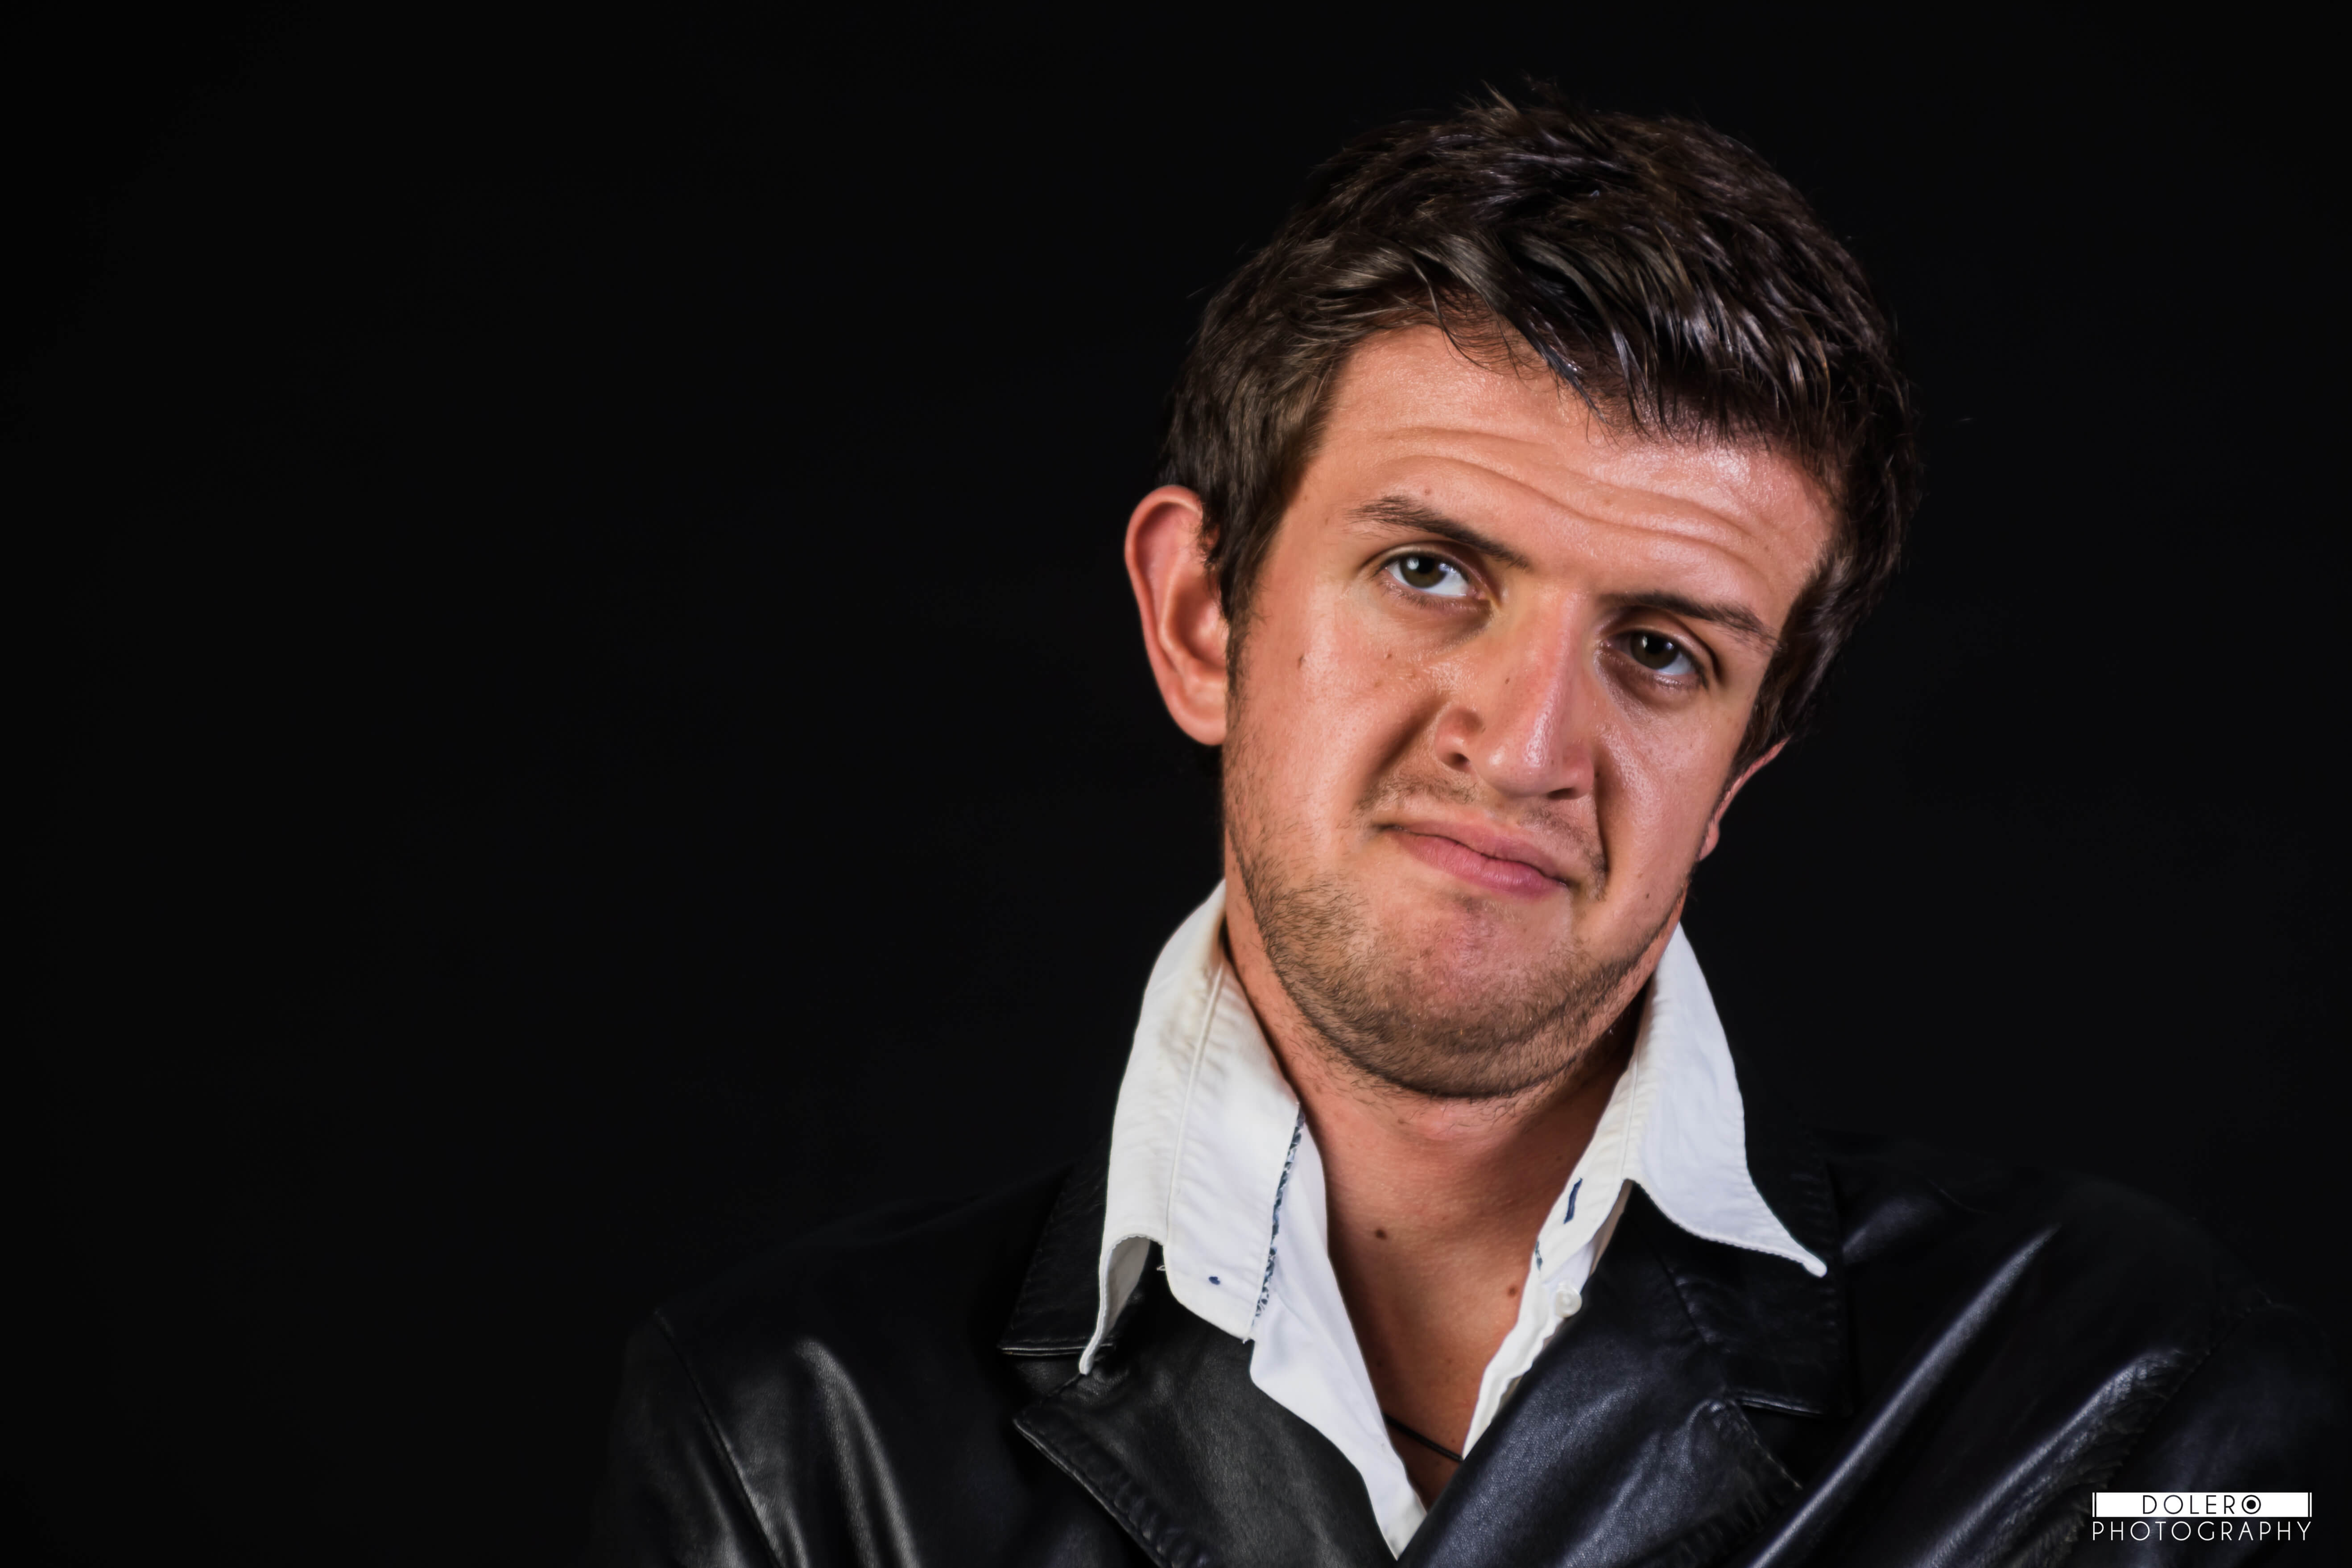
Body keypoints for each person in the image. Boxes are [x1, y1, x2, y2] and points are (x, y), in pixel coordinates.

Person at [584, 94, 2342, 1566]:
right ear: (1200, 618)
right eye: (1428, 571)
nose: (1525, 745)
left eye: (1660, 650)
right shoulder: (789, 1436)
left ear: (1737, 775)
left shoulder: (2129, 1389)